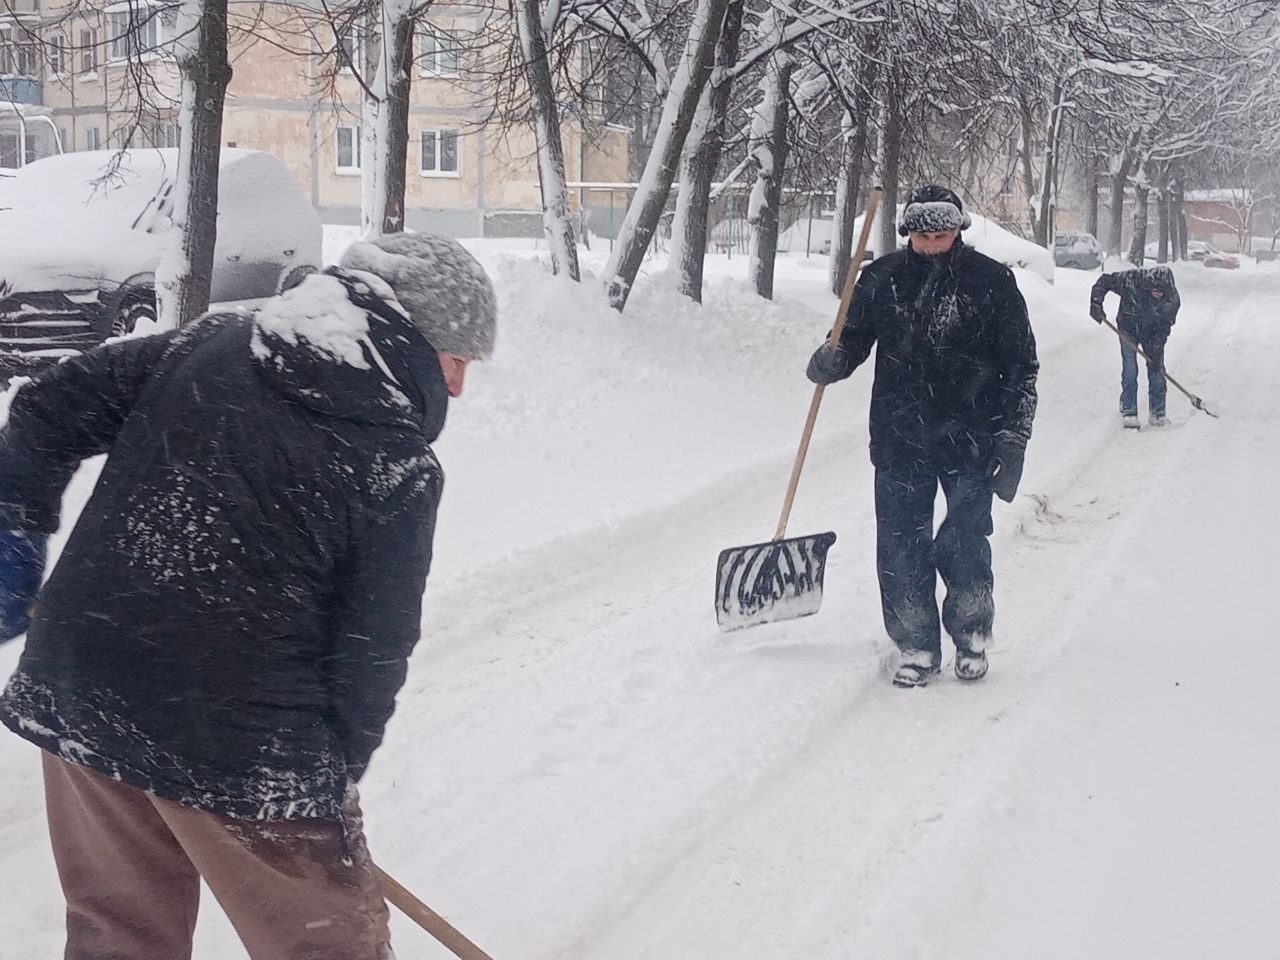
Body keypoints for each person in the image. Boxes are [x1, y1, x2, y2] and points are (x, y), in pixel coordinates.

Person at [0, 232, 497, 959]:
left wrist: (11, 530)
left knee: (119, 939)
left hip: (83, 685)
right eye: (457, 359)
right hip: (245, 744)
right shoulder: (395, 460)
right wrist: (323, 793)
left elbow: (46, 407)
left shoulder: (209, 343)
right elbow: (371, 651)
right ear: (416, 341)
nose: (457, 386)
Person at [806, 185, 1039, 688]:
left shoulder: (991, 282)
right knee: (900, 549)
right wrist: (832, 360)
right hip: (899, 437)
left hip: (971, 439)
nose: (933, 243)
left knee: (965, 542)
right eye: (924, 235)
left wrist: (1013, 440)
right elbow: (850, 340)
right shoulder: (880, 280)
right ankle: (915, 645)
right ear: (907, 232)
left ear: (959, 230)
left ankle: (972, 636)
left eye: (943, 234)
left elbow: (1021, 369)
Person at [1089, 265, 1180, 428]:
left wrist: (1156, 349)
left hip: (1153, 333)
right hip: (1128, 328)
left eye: (1161, 292)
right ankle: (1129, 411)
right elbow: (1104, 281)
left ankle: (1158, 413)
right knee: (1130, 368)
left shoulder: (1172, 300)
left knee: (1157, 371)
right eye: (1154, 290)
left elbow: (1166, 325)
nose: (1158, 294)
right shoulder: (1130, 281)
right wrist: (1096, 303)